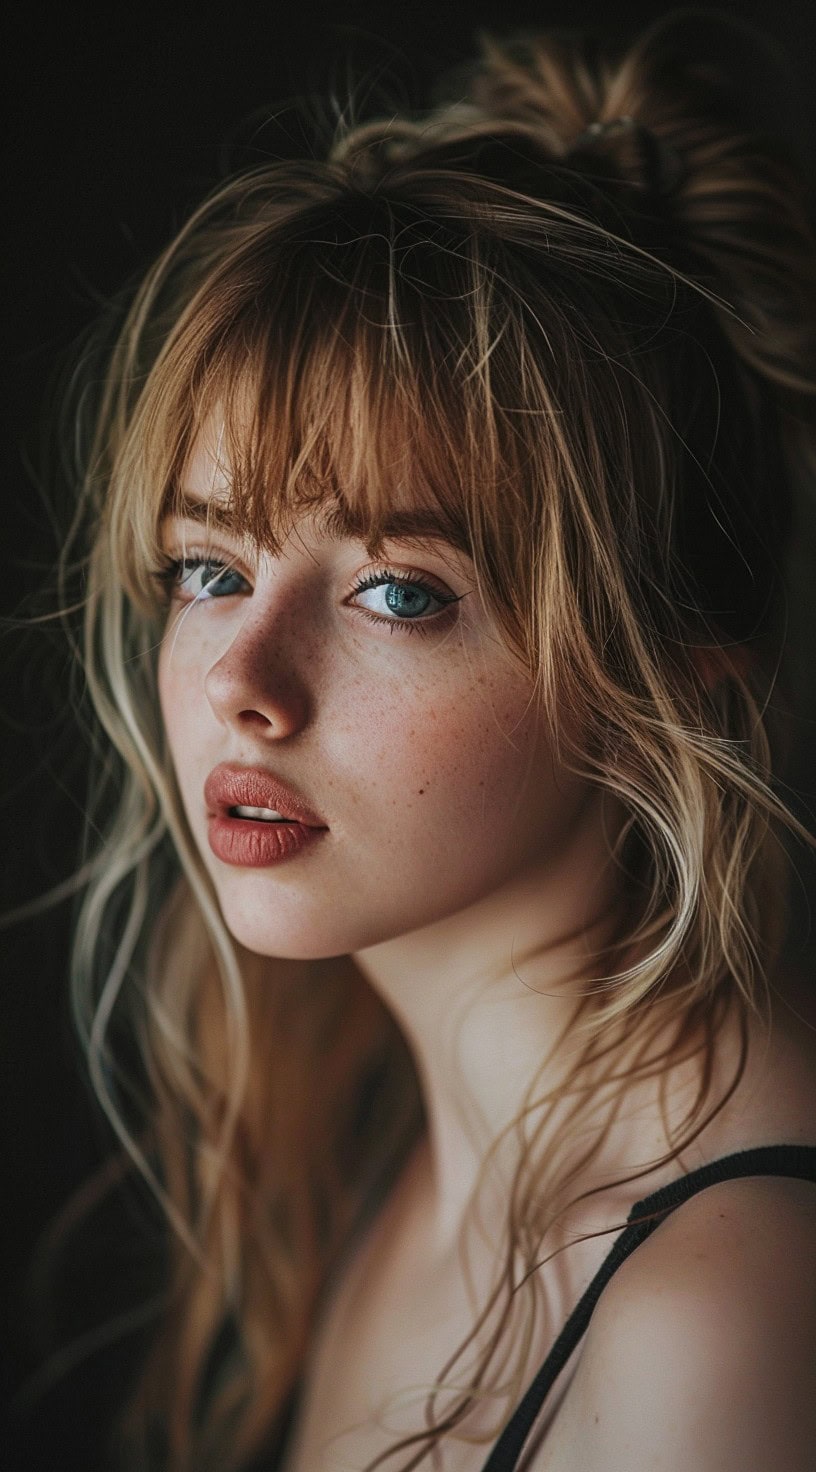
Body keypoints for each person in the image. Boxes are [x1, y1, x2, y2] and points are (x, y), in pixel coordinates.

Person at [37, 7, 816, 1470]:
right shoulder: (376, 1159)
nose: (242, 685)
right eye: (211, 569)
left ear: (671, 692)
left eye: (400, 592)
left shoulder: (718, 1325)